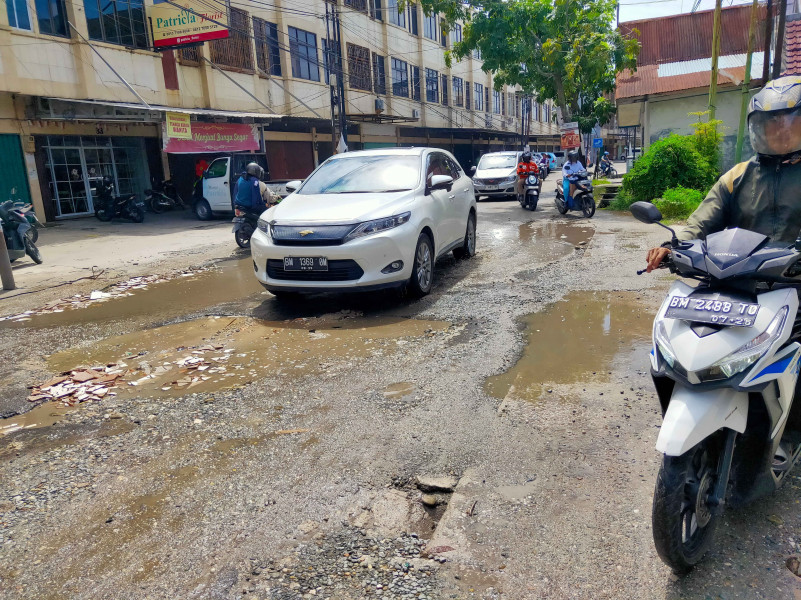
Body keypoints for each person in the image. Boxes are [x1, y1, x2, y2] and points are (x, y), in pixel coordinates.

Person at [645, 75, 801, 273]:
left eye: (790, 123)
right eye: (772, 124)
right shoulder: (738, 176)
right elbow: (703, 222)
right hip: (742, 280)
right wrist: (673, 247)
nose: (781, 131)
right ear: (759, 128)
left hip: (794, 282)